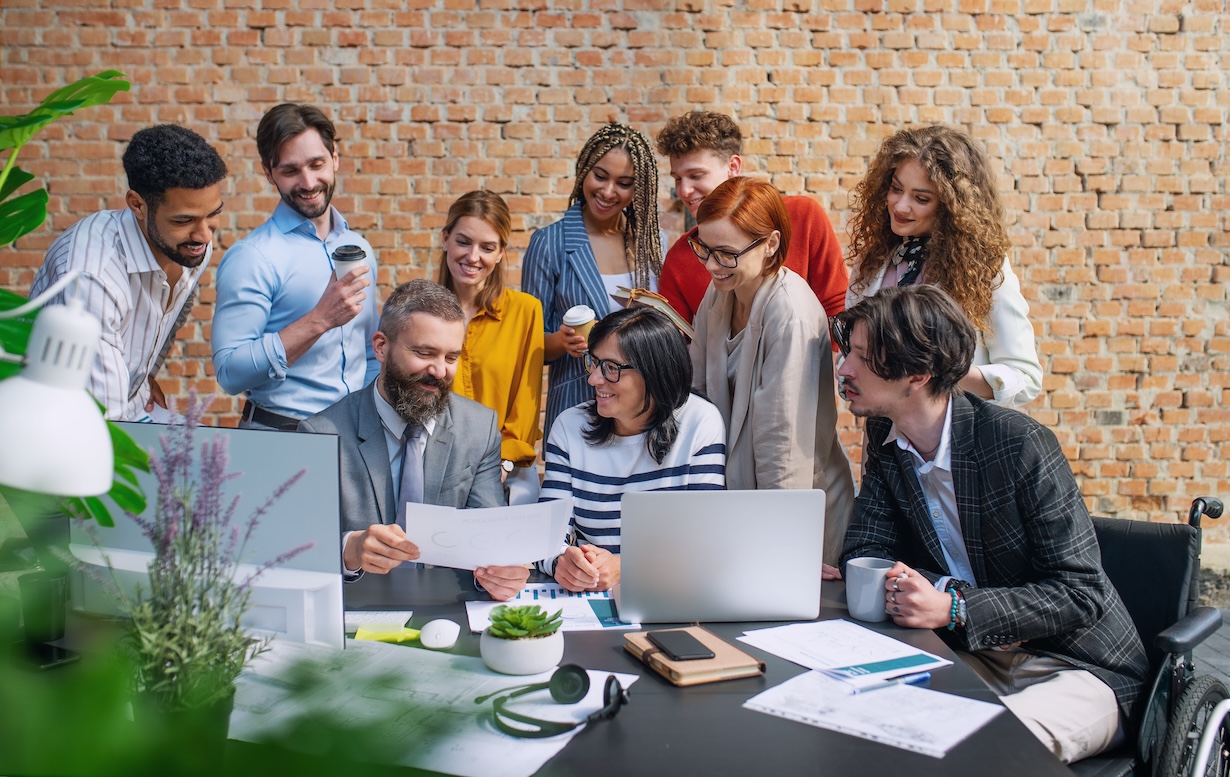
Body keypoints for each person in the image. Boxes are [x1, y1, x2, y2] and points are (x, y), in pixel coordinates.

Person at [835, 285, 1147, 764]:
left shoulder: (1019, 444)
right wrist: (918, 588)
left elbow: (1081, 593)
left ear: (917, 374)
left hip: (1076, 665)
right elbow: (866, 548)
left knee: (977, 748)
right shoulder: (885, 432)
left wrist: (954, 607)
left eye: (861, 356)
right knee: (866, 719)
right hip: (967, 654)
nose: (843, 369)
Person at [298, 280, 528, 601]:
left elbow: (489, 536)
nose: (439, 371)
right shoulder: (321, 434)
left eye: (451, 357)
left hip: (449, 607)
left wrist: (500, 573)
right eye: (424, 353)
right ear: (381, 347)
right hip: (358, 609)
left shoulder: (479, 428)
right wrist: (349, 549)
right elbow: (300, 548)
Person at [690, 177, 854, 567]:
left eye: (726, 253)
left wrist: (780, 551)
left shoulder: (789, 313)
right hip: (740, 503)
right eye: (704, 248)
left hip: (792, 515)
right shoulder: (719, 293)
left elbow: (783, 449)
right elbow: (696, 393)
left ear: (771, 244)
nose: (711, 265)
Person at [30, 124, 227, 421]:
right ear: (137, 205)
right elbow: (105, 422)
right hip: (65, 423)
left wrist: (145, 375)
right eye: (184, 220)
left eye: (213, 214)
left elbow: (173, 312)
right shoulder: (93, 277)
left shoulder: (191, 247)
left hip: (132, 404)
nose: (204, 235)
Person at [844, 124, 1042, 407]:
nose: (900, 206)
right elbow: (851, 358)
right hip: (882, 432)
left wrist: (941, 376)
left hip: (957, 432)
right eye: (896, 189)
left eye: (921, 198)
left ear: (951, 206)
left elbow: (1025, 378)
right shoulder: (872, 261)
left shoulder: (984, 269)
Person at [212, 103, 379, 430]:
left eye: (317, 164)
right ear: (269, 173)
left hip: (355, 438)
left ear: (335, 158)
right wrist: (319, 320)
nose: (308, 182)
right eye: (290, 171)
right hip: (281, 435)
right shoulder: (253, 257)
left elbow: (369, 352)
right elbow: (230, 373)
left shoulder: (360, 249)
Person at [540, 307, 726, 593]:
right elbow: (546, 535)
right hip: (590, 598)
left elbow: (707, 542)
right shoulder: (569, 427)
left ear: (655, 373)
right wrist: (561, 562)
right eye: (594, 362)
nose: (594, 379)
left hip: (673, 594)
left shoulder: (699, 421)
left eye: (611, 368)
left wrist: (624, 567)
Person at [521, 122, 663, 442]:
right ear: (584, 171)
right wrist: (562, 342)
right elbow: (529, 343)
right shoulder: (550, 243)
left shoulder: (654, 245)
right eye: (600, 176)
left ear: (639, 189)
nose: (608, 192)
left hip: (646, 413)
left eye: (624, 183)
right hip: (580, 409)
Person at [654, 111, 848, 326]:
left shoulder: (804, 216)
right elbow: (672, 338)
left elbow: (836, 305)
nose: (684, 191)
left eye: (696, 176)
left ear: (733, 167)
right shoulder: (679, 258)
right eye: (677, 179)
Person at [436, 191, 545, 504]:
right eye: (463, 242)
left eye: (487, 247)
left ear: (500, 253)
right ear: (445, 239)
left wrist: (501, 462)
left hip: (506, 472)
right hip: (435, 468)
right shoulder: (421, 313)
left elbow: (526, 406)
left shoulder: (525, 311)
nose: (473, 256)